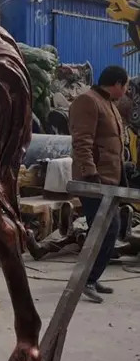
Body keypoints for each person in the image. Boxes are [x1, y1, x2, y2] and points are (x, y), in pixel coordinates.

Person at [69, 65, 129, 303]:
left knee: (107, 230)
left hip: (109, 180)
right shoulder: (88, 101)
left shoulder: (108, 103)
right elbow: (81, 141)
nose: (125, 91)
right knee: (105, 231)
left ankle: (92, 278)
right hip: (94, 181)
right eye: (124, 87)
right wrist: (90, 173)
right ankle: (87, 280)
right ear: (117, 84)